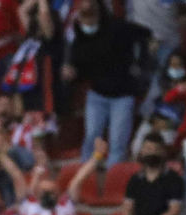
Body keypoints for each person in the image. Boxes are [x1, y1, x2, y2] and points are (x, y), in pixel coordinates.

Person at [63, 0, 151, 166]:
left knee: (118, 142)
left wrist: (141, 64)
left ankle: (113, 179)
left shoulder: (117, 28)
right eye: (84, 18)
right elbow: (81, 73)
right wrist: (72, 74)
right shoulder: (79, 40)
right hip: (97, 95)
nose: (88, 22)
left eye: (91, 16)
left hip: (123, 96)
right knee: (91, 137)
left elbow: (145, 33)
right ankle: (85, 178)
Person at [99, 134, 185, 215]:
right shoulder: (135, 179)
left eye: (156, 149)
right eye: (148, 149)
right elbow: (127, 207)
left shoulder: (173, 179)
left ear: (163, 152)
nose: (152, 152)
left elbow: (174, 211)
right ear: (142, 151)